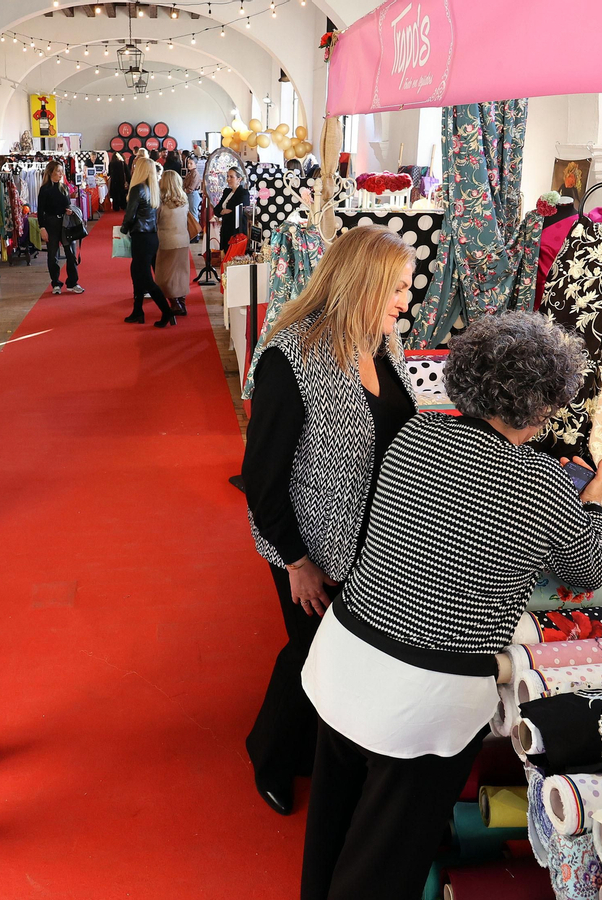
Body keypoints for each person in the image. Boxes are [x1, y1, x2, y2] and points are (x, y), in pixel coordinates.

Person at [298, 312, 602, 900]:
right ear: (543, 406)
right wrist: (591, 505)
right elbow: (589, 571)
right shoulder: (544, 483)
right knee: (384, 857)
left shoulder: (416, 434)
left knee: (332, 821)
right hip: (426, 695)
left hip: (346, 655)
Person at [241, 225, 416, 816]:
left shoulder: (379, 344)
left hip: (374, 546)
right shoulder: (290, 358)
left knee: (340, 660)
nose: (405, 301)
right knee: (311, 657)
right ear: (363, 284)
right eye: (396, 288)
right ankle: (269, 753)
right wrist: (295, 561)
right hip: (312, 549)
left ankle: (315, 750)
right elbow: (262, 482)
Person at [120, 156, 175, 328]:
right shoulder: (153, 189)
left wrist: (122, 229)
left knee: (144, 278)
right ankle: (138, 311)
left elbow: (130, 215)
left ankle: (167, 312)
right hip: (151, 237)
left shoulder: (137, 189)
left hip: (141, 237)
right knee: (137, 274)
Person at [35, 160, 84, 296]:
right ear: (51, 172)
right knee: (52, 255)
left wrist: (69, 211)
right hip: (51, 223)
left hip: (65, 223)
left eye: (61, 171)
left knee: (71, 253)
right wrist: (42, 227)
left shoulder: (64, 187)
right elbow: (40, 211)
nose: (61, 173)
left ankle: (72, 282)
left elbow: (68, 205)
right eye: (58, 171)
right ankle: (56, 282)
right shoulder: (44, 189)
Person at [155, 170, 193, 317]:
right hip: (183, 240)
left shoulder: (161, 202)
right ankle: (181, 302)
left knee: (164, 275)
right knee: (181, 273)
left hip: (166, 241)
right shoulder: (184, 200)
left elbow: (156, 221)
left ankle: (175, 303)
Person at [214, 167, 251, 258]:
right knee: (225, 255)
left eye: (231, 177)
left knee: (234, 257)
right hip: (225, 228)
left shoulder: (243, 193)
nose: (228, 179)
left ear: (239, 179)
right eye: (227, 176)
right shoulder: (227, 192)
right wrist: (222, 211)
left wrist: (225, 211)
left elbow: (237, 211)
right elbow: (216, 209)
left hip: (236, 230)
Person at [181, 152, 203, 243]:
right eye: (188, 163)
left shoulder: (195, 174)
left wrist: (183, 190)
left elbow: (191, 188)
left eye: (191, 163)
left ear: (196, 164)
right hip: (189, 195)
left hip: (193, 195)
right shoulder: (190, 173)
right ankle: (192, 234)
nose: (189, 165)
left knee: (194, 215)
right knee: (191, 214)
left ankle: (195, 235)